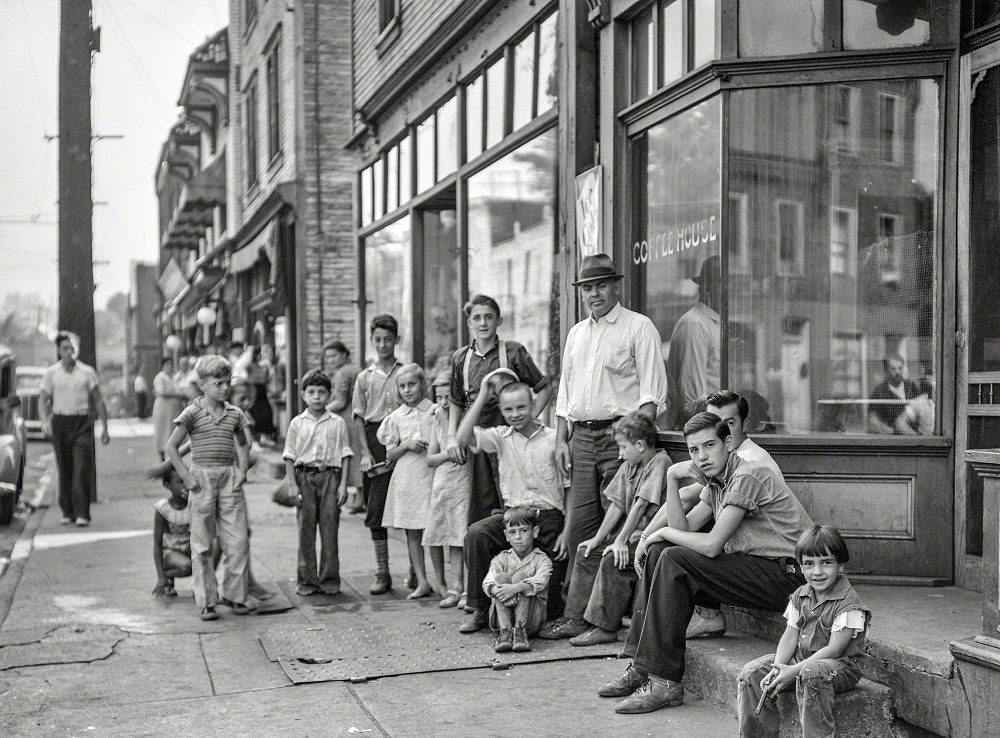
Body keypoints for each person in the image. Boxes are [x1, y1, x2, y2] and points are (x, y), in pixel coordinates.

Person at [602, 411, 813, 714]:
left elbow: (712, 545)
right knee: (663, 549)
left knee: (672, 555)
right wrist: (673, 478)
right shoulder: (717, 482)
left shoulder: (747, 476)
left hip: (790, 578)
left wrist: (658, 530)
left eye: (709, 446)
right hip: (757, 571)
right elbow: (682, 529)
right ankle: (641, 665)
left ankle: (664, 682)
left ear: (729, 443)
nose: (701, 456)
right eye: (694, 450)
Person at [554, 253, 668, 596]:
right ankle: (579, 611)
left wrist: (633, 445)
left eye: (601, 285)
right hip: (581, 439)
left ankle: (614, 613)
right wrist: (561, 439)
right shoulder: (576, 334)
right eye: (587, 287)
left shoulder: (638, 326)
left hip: (620, 435)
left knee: (618, 521)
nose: (594, 294)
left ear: (616, 287)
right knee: (579, 525)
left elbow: (652, 396)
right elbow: (565, 391)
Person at [540, 412, 669, 646]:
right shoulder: (631, 464)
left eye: (622, 447)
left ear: (640, 445)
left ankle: (604, 627)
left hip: (651, 540)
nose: (619, 454)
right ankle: (575, 618)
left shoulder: (660, 462)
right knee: (587, 552)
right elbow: (618, 504)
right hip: (632, 539)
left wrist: (620, 540)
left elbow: (640, 505)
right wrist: (598, 538)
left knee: (612, 560)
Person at [455, 372, 569, 633]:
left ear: (532, 404)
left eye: (521, 407)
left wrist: (567, 531)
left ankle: (531, 616)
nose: (515, 414)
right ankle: (481, 609)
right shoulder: (500, 437)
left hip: (549, 520)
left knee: (549, 606)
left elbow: (569, 488)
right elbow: (463, 437)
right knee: (477, 533)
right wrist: (484, 393)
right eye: (508, 409)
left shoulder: (553, 440)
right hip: (513, 516)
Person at [737, 525, 870, 738]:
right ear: (800, 566)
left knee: (811, 674)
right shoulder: (801, 595)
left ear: (840, 565)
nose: (817, 572)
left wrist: (795, 670)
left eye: (826, 563)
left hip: (839, 668)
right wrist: (779, 668)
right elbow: (790, 635)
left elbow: (835, 649)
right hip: (802, 661)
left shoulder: (849, 604)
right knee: (752, 673)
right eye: (809, 564)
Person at [446, 294, 551, 526]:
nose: (483, 323)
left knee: (513, 495)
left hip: (507, 431)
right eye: (477, 318)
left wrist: (529, 420)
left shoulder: (513, 352)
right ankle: (485, 557)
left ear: (499, 321)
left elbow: (544, 388)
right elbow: (456, 400)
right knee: (480, 499)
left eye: (489, 317)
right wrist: (452, 437)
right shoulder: (461, 358)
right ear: (469, 323)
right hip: (476, 433)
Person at [165, 355, 252, 622]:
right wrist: (187, 477)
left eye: (227, 383)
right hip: (201, 477)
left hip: (228, 477)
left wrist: (242, 470)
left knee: (237, 541)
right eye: (218, 383)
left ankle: (235, 595)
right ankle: (206, 601)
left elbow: (243, 444)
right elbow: (171, 448)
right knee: (202, 543)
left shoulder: (235, 414)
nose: (224, 388)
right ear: (202, 385)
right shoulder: (192, 413)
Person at [283, 369, 353, 597]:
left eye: (321, 392)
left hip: (331, 477)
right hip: (304, 477)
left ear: (329, 395)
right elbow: (289, 455)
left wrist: (344, 485)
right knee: (306, 530)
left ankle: (330, 579)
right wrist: (292, 484)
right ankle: (307, 580)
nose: (316, 397)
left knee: (330, 529)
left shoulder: (337, 422)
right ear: (303, 394)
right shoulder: (297, 423)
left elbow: (345, 454)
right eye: (311, 392)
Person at [353, 313, 404, 595]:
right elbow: (359, 418)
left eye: (388, 340)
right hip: (373, 441)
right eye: (377, 340)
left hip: (403, 438)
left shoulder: (406, 372)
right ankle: (382, 572)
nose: (383, 345)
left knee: (410, 505)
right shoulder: (365, 377)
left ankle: (414, 571)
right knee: (375, 508)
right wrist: (364, 453)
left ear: (396, 340)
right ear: (372, 341)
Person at [376, 364, 436, 599]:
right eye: (403, 386)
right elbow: (390, 454)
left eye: (412, 384)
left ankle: (441, 581)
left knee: (435, 528)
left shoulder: (433, 410)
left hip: (430, 474)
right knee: (413, 530)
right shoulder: (396, 417)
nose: (408, 390)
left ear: (423, 384)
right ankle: (422, 581)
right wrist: (406, 445)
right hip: (407, 478)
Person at [38, 331, 111, 527]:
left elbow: (98, 399)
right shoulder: (51, 373)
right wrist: (45, 421)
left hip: (82, 421)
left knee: (81, 467)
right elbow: (43, 399)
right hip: (61, 420)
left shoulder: (87, 372)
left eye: (72, 347)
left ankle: (82, 513)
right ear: (59, 351)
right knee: (65, 467)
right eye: (65, 348)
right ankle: (67, 511)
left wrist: (104, 426)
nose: (69, 351)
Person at [424, 373, 470, 608]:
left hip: (462, 482)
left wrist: (444, 419)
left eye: (448, 397)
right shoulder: (437, 421)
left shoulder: (460, 420)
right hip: (442, 484)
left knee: (460, 534)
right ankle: (453, 586)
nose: (443, 403)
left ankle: (464, 588)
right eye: (439, 397)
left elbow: (461, 449)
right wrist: (447, 455)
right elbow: (431, 459)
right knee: (442, 533)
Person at [483, 506, 554, 653]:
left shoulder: (542, 560)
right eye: (512, 532)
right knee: (501, 578)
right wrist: (500, 591)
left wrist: (516, 588)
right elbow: (487, 582)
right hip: (501, 619)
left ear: (535, 532)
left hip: (531, 620)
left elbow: (541, 581)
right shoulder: (501, 559)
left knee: (522, 578)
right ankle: (505, 632)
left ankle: (519, 632)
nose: (518, 537)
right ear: (506, 536)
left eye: (523, 531)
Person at [665, 254, 722, 429]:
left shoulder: (715, 323)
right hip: (704, 429)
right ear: (705, 288)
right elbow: (692, 398)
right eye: (721, 284)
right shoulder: (695, 325)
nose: (728, 290)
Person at [323, 340, 364, 513]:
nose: (331, 360)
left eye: (334, 355)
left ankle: (358, 500)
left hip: (347, 419)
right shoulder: (355, 369)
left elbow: (340, 402)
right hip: (358, 416)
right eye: (328, 357)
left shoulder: (342, 373)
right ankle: (358, 498)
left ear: (344, 354)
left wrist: (318, 410)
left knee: (351, 459)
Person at [150, 465, 192, 598]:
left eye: (187, 480)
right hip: (170, 552)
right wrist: (160, 576)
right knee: (186, 566)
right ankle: (167, 577)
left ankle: (201, 584)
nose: (184, 485)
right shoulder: (163, 508)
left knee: (208, 552)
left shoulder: (193, 504)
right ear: (167, 485)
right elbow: (157, 544)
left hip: (188, 547)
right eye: (180, 482)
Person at [868, 355, 917, 434]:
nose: (897, 372)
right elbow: (872, 421)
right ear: (886, 371)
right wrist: (892, 432)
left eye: (900, 368)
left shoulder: (912, 387)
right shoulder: (879, 392)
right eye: (893, 369)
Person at [152, 358, 186, 460]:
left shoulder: (174, 377)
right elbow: (161, 392)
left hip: (173, 410)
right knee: (162, 432)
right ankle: (162, 458)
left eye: (171, 364)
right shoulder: (160, 377)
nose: (169, 366)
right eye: (167, 364)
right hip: (163, 409)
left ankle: (172, 459)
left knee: (172, 432)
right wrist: (178, 394)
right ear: (163, 366)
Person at [245, 346, 276, 444]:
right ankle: (255, 440)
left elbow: (266, 379)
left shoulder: (263, 366)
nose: (260, 356)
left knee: (265, 413)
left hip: (262, 391)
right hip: (253, 390)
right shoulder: (250, 365)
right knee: (255, 414)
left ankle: (264, 437)